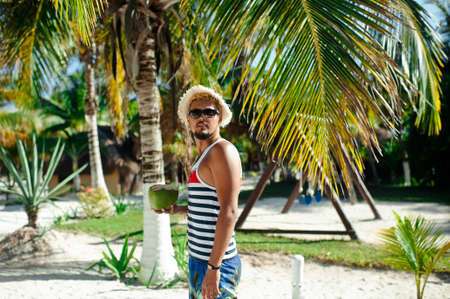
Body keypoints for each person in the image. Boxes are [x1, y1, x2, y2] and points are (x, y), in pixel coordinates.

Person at [153, 85, 242, 299]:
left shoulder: (222, 151)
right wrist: (179, 209)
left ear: (219, 118)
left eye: (210, 112)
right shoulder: (204, 155)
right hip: (198, 260)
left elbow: (229, 213)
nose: (202, 117)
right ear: (188, 119)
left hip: (216, 264)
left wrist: (213, 269)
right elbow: (210, 204)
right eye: (196, 112)